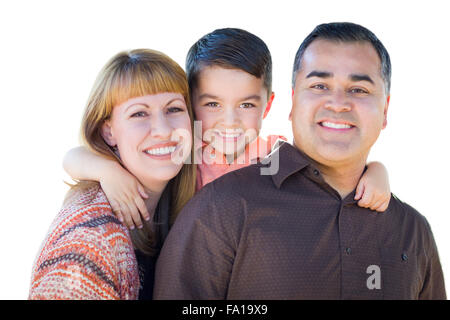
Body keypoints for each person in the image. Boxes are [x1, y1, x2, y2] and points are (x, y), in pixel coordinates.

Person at [153, 23, 446, 299]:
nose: (338, 102)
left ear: (385, 110)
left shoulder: (413, 231)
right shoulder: (217, 201)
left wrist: (378, 171)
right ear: (292, 103)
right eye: (319, 85)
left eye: (359, 89)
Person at [62, 28, 391, 231]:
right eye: (212, 105)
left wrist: (376, 171)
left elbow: (329, 170)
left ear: (268, 104)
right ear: (190, 103)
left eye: (246, 106)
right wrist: (108, 172)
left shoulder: (271, 154)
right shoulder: (182, 151)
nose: (230, 122)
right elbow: (73, 158)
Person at [28, 49, 196, 300]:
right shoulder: (88, 244)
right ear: (109, 132)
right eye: (139, 113)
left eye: (173, 109)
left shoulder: (187, 200)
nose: (163, 130)